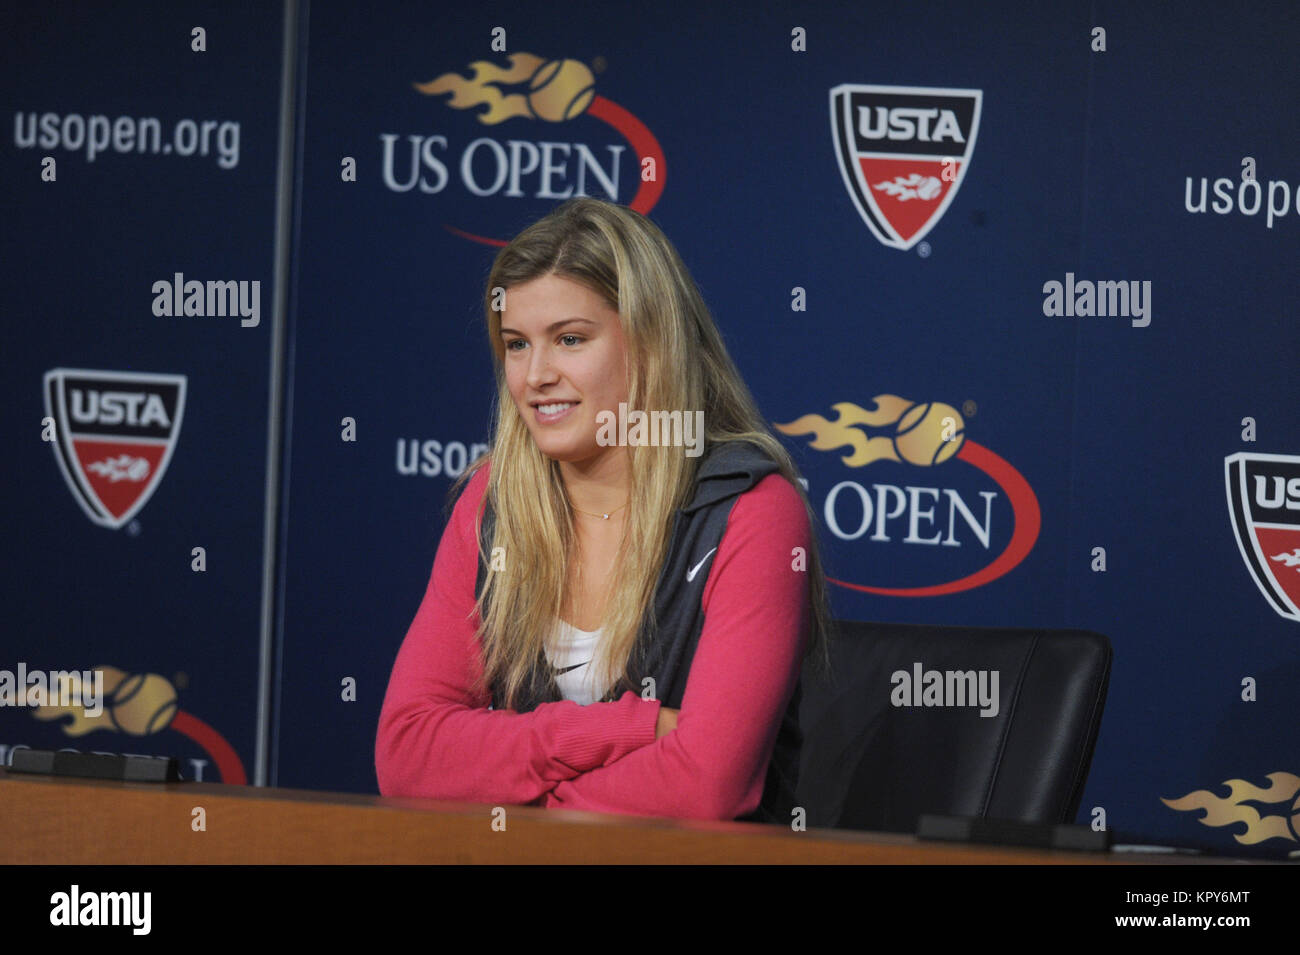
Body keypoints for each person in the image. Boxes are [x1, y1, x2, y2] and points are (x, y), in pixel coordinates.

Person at [375, 197, 834, 823]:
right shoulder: (492, 504)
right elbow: (406, 756)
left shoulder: (751, 512)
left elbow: (707, 787)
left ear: (649, 345)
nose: (535, 375)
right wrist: (622, 731)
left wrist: (513, 795)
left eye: (569, 339)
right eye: (516, 344)